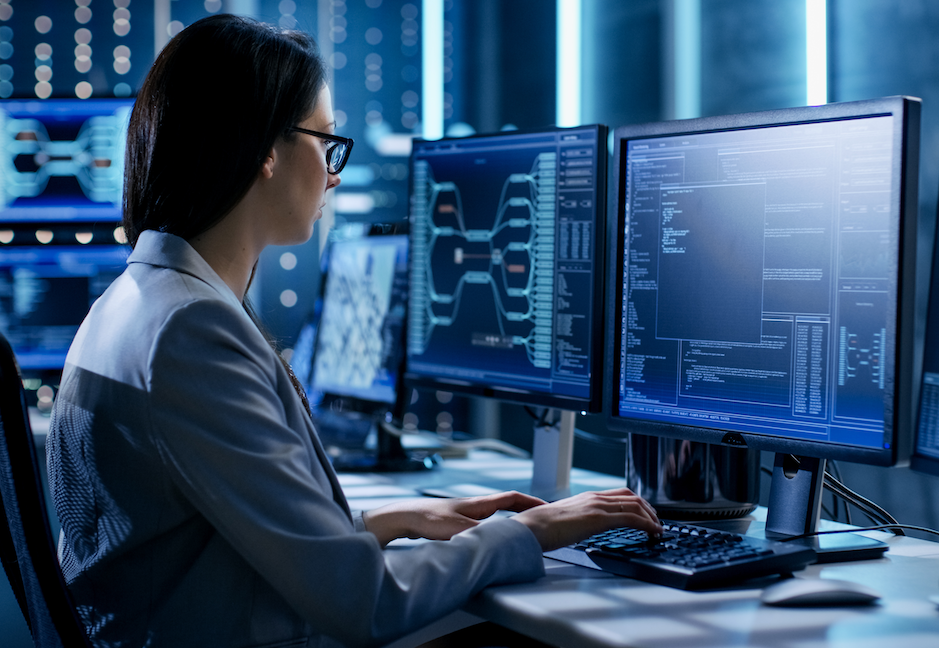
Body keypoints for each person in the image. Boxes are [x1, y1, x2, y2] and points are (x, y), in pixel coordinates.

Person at [46, 13, 661, 648]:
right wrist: (530, 532)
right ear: (264, 150)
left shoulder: (136, 302)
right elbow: (362, 600)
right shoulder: (188, 332)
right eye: (326, 142)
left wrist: (392, 519)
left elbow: (215, 539)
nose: (334, 173)